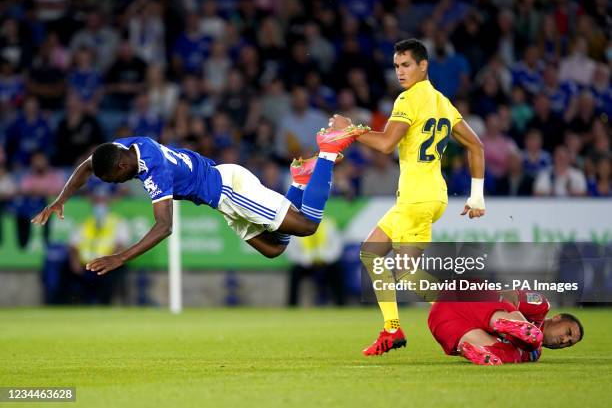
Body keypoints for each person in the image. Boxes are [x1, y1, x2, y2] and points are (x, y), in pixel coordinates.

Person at [31, 126, 369, 275]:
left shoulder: (155, 170)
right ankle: (300, 180)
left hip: (230, 188)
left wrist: (122, 257)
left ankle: (327, 150)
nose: (115, 184)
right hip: (221, 201)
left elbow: (164, 227)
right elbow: (88, 166)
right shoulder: (126, 146)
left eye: (114, 178)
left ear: (122, 166)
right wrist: (61, 199)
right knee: (275, 248)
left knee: (307, 227)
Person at [328, 38, 486, 356]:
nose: (400, 71)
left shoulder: (407, 100)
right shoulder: (443, 102)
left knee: (404, 272)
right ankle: (393, 330)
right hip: (430, 197)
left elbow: (386, 144)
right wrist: (477, 196)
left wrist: (351, 130)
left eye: (406, 65)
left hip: (416, 198)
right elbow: (476, 146)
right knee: (373, 253)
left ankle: (475, 315)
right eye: (397, 66)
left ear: (423, 65)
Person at [428, 290, 583, 365]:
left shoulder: (534, 354)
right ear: (558, 318)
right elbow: (505, 296)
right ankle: (513, 326)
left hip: (442, 320)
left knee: (510, 354)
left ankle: (477, 351)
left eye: (569, 343)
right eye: (568, 332)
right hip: (465, 299)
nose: (564, 340)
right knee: (530, 342)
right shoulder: (541, 306)